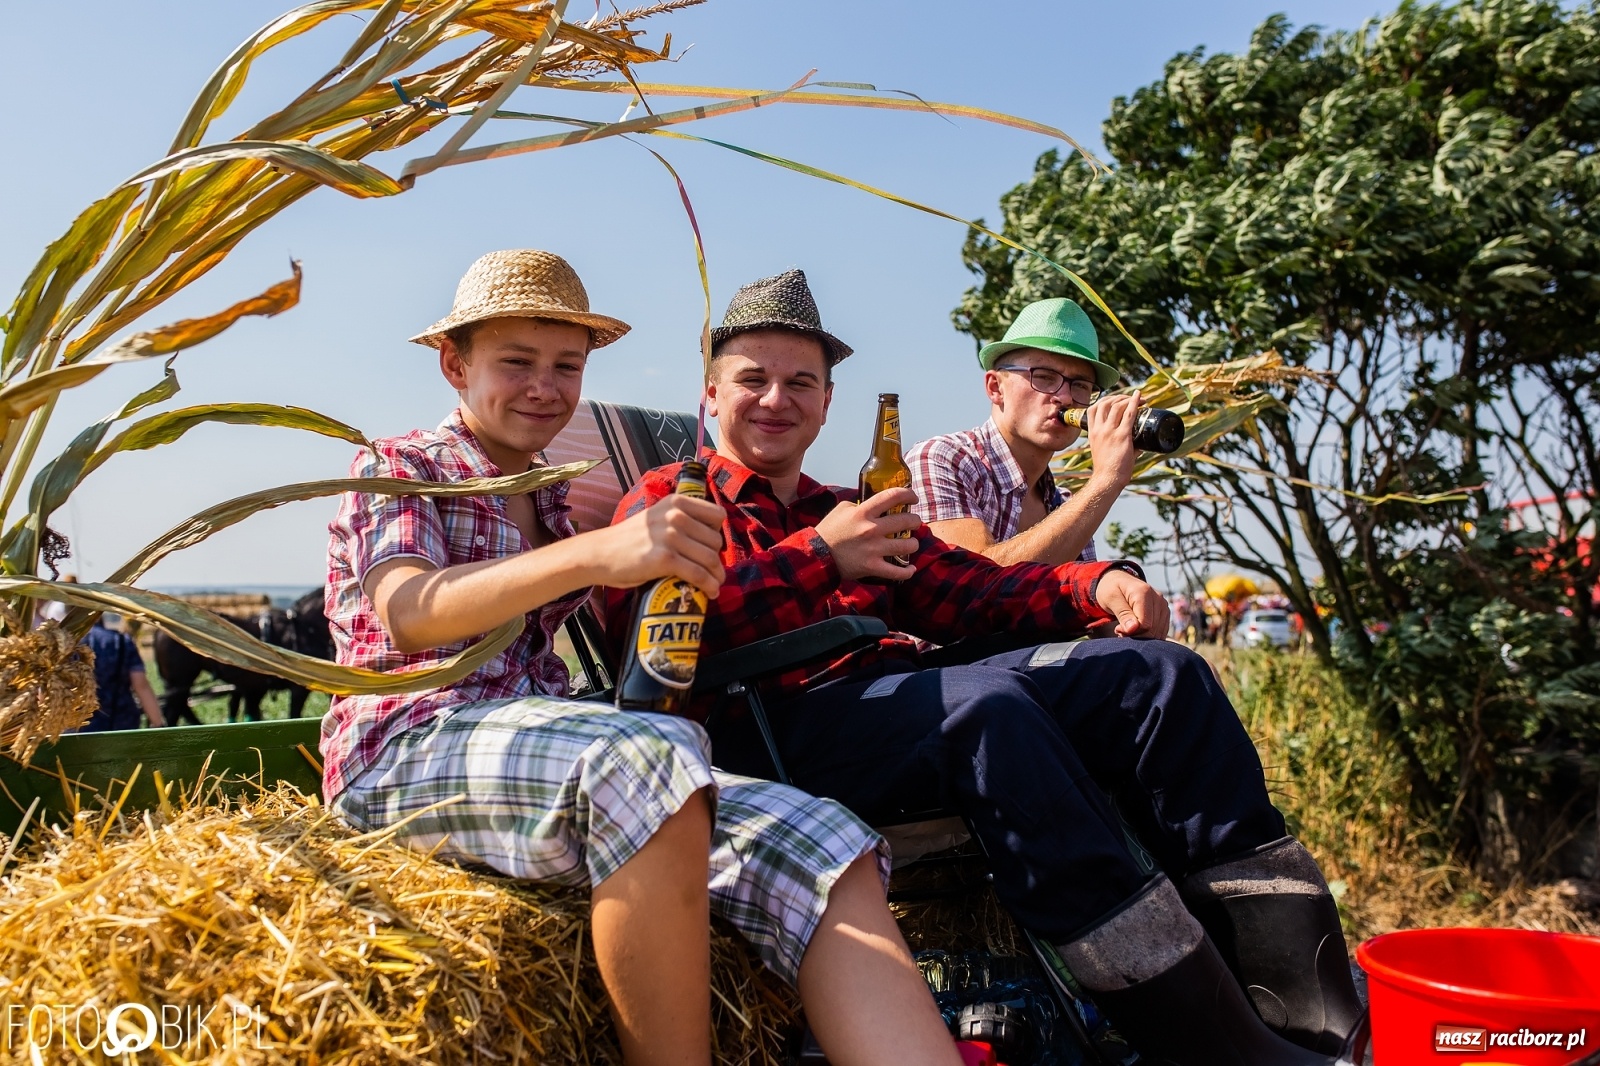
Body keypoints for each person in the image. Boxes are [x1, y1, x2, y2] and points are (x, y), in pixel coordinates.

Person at [608, 269, 1361, 1066]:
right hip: (761, 735)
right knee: (985, 706)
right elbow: (661, 642)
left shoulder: (855, 503)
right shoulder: (668, 498)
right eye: (752, 380)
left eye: (801, 382)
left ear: (828, 403)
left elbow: (973, 589)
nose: (776, 400)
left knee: (1158, 677)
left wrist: (1093, 584)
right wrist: (823, 558)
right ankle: (1215, 1046)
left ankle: (1307, 1006)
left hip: (881, 708)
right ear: (712, 397)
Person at [322, 250, 963, 1066]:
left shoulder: (553, 496)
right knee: (651, 760)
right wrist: (601, 554)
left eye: (566, 366)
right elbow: (410, 612)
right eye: (515, 362)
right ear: (454, 364)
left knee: (821, 839)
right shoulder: (402, 467)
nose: (544, 388)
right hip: (405, 744)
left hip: (536, 743)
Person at [906, 298, 1139, 566]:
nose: (1064, 397)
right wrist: (1106, 480)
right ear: (995, 387)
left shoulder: (1065, 506)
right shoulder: (943, 459)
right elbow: (972, 584)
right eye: (1044, 377)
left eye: (1080, 385)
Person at [81, 612, 166, 731]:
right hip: (120, 726)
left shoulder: (63, 647)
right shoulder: (120, 641)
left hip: (74, 730)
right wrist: (158, 725)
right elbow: (140, 685)